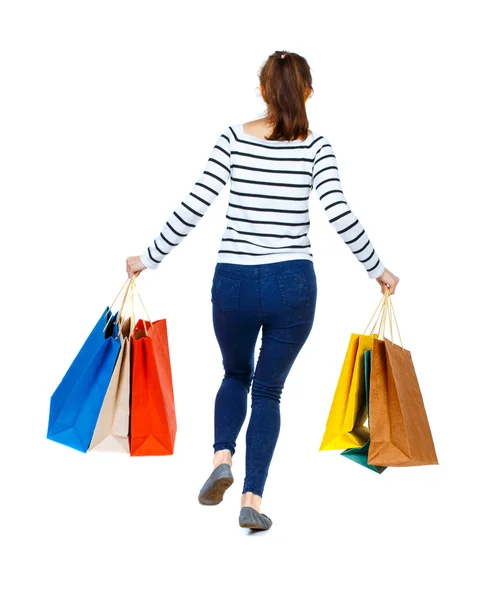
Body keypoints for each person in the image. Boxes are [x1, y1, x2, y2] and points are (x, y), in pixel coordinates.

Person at [126, 50, 400, 530]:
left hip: (233, 281)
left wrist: (149, 258)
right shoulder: (317, 147)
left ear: (262, 90)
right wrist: (378, 269)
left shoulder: (233, 138)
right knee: (269, 392)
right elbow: (339, 212)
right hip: (293, 283)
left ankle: (220, 460)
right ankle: (251, 500)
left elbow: (196, 203)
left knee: (235, 375)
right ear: (308, 92)